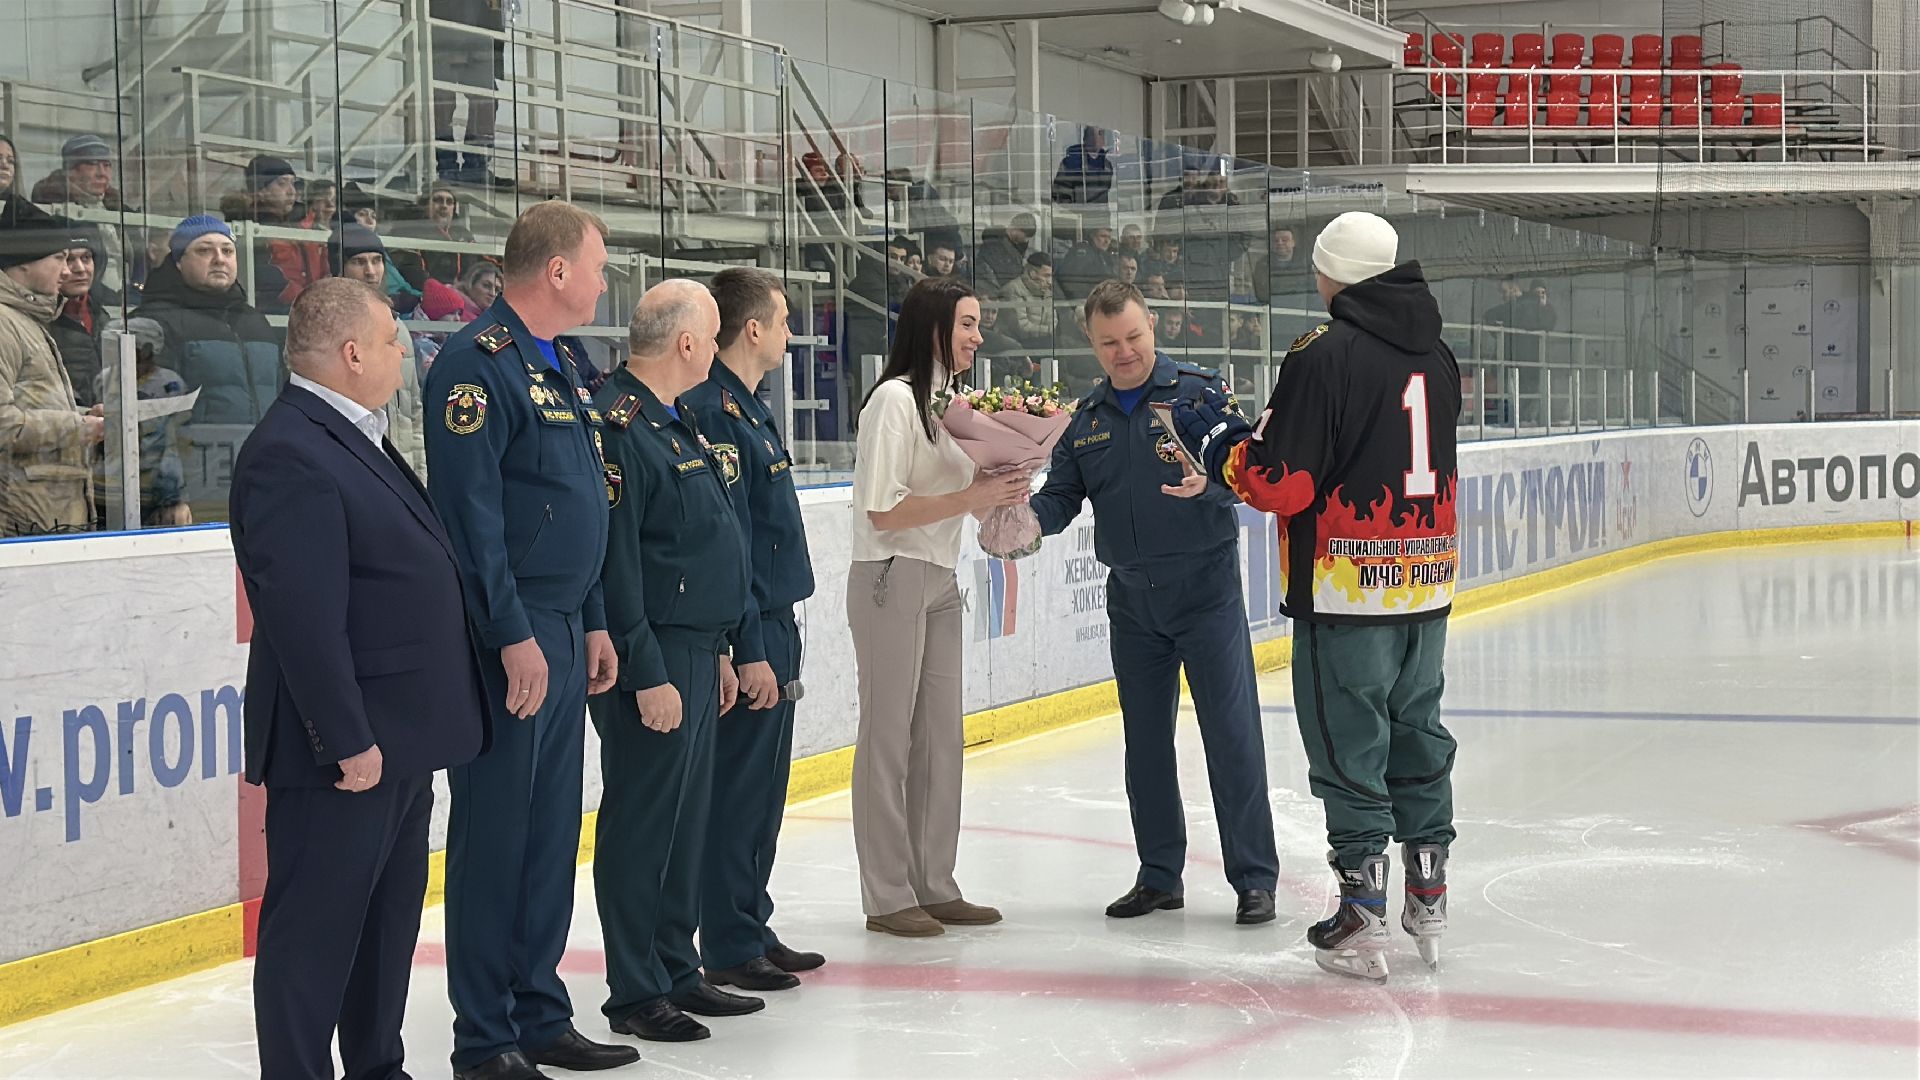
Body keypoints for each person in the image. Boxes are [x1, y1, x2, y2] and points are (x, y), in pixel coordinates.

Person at [1171, 211, 1462, 982]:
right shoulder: (1437, 353)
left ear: (1336, 273)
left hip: (1346, 589)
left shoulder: (1322, 353)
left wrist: (1223, 443)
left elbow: (1281, 483)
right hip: (1424, 587)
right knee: (1417, 732)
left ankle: (1363, 908)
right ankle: (1428, 891)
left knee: (1348, 745)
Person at [230, 278, 487, 1080]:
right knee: (313, 939)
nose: (400, 356)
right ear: (349, 354)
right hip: (347, 750)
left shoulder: (354, 434)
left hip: (400, 742)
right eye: (389, 342)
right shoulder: (289, 451)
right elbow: (305, 622)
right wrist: (346, 738)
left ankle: (378, 1066)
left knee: (384, 931)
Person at [424, 201, 638, 1080]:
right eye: (595, 265)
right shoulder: (478, 365)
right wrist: (511, 631)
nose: (601, 281)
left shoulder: (568, 363)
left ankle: (541, 1013)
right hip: (507, 633)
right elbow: (471, 520)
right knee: (498, 833)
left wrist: (590, 618)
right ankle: (486, 1035)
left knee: (552, 833)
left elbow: (581, 499)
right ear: (555, 270)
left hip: (561, 621)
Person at [1026, 280, 1279, 926]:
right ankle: (1160, 874)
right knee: (1145, 744)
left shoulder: (1199, 394)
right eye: (1109, 342)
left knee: (1232, 737)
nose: (1124, 352)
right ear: (1092, 342)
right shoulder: (1087, 420)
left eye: (1134, 337)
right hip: (1132, 603)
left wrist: (1213, 487)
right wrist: (1025, 523)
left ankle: (1254, 878)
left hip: (1206, 593)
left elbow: (1246, 473)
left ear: (1153, 326)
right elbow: (1061, 497)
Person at [588, 280, 760, 1043]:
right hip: (652, 654)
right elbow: (618, 564)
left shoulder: (674, 420)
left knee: (685, 823)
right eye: (715, 335)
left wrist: (720, 649)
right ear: (689, 343)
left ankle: (675, 966)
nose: (718, 348)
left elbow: (702, 543)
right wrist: (646, 669)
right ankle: (634, 987)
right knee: (644, 824)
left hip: (696, 648)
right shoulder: (620, 426)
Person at [847, 277, 1029, 938]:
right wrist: (971, 498)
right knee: (889, 739)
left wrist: (1005, 480)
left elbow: (957, 492)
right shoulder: (894, 400)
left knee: (939, 741)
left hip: (940, 576)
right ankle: (888, 893)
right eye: (968, 324)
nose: (979, 336)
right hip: (890, 575)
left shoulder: (949, 402)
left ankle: (933, 881)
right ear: (933, 328)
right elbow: (883, 508)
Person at [683, 268, 824, 992]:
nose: (792, 332)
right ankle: (730, 938)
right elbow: (730, 539)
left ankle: (749, 917)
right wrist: (748, 646)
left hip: (774, 615)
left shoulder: (747, 407)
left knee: (764, 791)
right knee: (739, 789)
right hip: (752, 623)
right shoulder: (714, 411)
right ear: (753, 329)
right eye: (783, 318)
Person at [0, 215, 99, 537]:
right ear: (24, 263)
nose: (68, 270)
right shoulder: (4, 323)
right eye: (59, 258)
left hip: (42, 518)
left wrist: (85, 416)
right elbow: (3, 425)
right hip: (19, 522)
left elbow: (31, 404)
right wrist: (79, 427)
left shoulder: (27, 320)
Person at [331, 222, 427, 476]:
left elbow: (413, 411)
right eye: (359, 262)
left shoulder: (398, 328)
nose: (371, 271)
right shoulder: (327, 330)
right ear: (339, 267)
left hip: (402, 473)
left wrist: (420, 476)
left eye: (376, 261)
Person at [431, 0, 513, 187]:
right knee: (443, 100)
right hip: (444, 30)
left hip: (481, 33)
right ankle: (447, 166)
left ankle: (476, 167)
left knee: (486, 101)